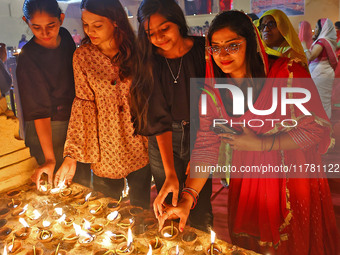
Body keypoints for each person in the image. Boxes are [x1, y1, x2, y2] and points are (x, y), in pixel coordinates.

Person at [158, 11, 339, 255]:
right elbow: (206, 146)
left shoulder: (287, 73)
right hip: (247, 180)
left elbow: (316, 129)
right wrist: (188, 198)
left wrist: (263, 144)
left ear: (251, 44)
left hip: (289, 176)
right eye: (215, 48)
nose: (222, 55)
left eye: (233, 46)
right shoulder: (214, 92)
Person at [54, 0, 151, 209]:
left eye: (97, 25)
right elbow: (83, 107)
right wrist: (71, 154)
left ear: (116, 21)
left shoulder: (138, 52)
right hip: (105, 148)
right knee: (105, 209)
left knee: (141, 209)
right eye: (86, 25)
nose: (90, 31)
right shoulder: (83, 56)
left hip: (138, 141)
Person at [130, 0, 213, 231]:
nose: (158, 37)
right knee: (170, 197)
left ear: (177, 22)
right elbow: (157, 118)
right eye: (150, 33)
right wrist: (169, 172)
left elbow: (214, 105)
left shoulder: (203, 51)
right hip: (163, 139)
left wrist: (200, 151)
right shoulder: (148, 62)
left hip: (202, 133)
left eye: (164, 28)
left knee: (200, 199)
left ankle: (203, 239)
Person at [16, 0, 90, 190]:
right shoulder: (28, 57)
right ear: (26, 21)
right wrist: (49, 158)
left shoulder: (65, 37)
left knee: (80, 182)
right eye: (36, 27)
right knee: (57, 184)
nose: (45, 33)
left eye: (51, 25)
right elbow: (39, 112)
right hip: (47, 128)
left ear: (61, 19)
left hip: (73, 123)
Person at [302, 18, 338, 119]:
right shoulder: (326, 40)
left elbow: (311, 56)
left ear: (323, 29)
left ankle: (323, 126)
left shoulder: (321, 42)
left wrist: (304, 46)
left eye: (317, 27)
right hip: (323, 72)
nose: (315, 29)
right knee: (323, 101)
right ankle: (324, 125)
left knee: (321, 101)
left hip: (321, 74)